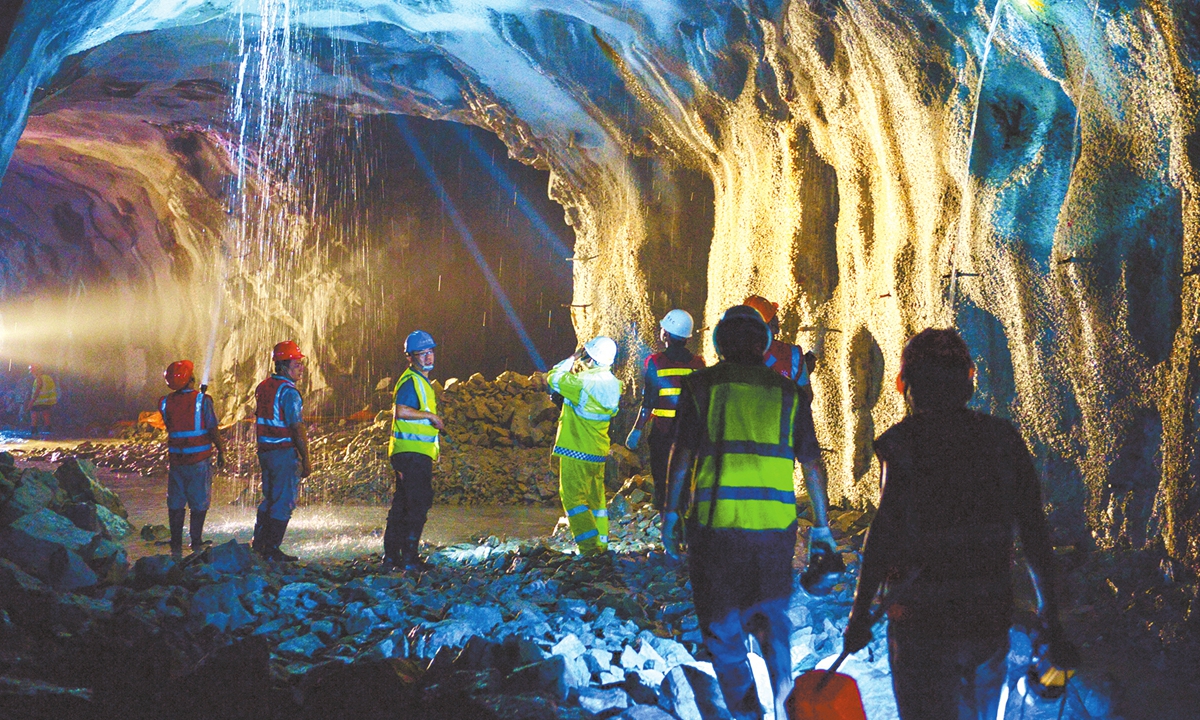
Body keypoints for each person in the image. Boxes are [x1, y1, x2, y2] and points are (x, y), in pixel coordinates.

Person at [842, 328, 1076, 719]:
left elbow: (884, 534)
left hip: (921, 621)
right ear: (969, 381)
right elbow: (1035, 532)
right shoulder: (1004, 440)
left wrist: (860, 613)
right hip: (986, 615)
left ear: (905, 385)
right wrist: (1050, 618)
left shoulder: (903, 444)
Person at [661, 305, 830, 720]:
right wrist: (822, 527)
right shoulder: (788, 393)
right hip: (774, 529)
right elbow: (812, 464)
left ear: (720, 343)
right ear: (762, 344)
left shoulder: (702, 386)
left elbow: (681, 454)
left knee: (722, 627)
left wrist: (669, 513)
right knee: (772, 617)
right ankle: (787, 702)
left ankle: (747, 712)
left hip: (715, 527)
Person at [743, 294, 835, 558]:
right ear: (769, 325)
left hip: (751, 433)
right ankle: (809, 529)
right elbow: (807, 396)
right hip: (788, 428)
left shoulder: (734, 359)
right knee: (799, 473)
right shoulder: (793, 354)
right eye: (775, 318)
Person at [547, 336, 622, 556]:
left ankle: (589, 548)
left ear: (590, 357)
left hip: (577, 450)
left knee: (573, 499)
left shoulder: (582, 383)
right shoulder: (614, 384)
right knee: (596, 500)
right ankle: (601, 544)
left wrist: (572, 357)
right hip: (598, 451)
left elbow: (554, 377)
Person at [625, 309, 705, 512]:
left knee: (662, 477)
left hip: (663, 433)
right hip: (689, 433)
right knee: (685, 477)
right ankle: (684, 515)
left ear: (666, 335)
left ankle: (662, 518)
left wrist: (637, 430)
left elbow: (649, 401)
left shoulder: (655, 362)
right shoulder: (699, 364)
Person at [383, 330, 444, 572]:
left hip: (411, 452)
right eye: (422, 353)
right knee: (417, 502)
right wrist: (430, 416)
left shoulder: (421, 381)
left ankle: (393, 556)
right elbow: (401, 411)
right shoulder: (412, 380)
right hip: (410, 453)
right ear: (411, 357)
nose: (429, 357)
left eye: (430, 352)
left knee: (405, 502)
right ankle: (408, 557)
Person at [251, 341, 311, 562]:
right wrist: (306, 459)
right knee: (284, 500)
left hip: (265, 451)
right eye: (297, 364)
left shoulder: (263, 386)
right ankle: (272, 549)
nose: (301, 368)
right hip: (282, 451)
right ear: (284, 366)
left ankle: (258, 543)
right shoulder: (289, 392)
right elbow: (296, 426)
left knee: (269, 497)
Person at [159, 360, 226, 556]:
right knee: (199, 501)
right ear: (191, 379)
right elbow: (212, 428)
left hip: (176, 461)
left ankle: (176, 542)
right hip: (198, 459)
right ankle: (195, 541)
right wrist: (221, 451)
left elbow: (172, 423)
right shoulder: (203, 401)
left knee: (176, 501)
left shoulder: (164, 402)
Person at [24, 364, 58, 436]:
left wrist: (31, 403)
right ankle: (49, 432)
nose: (32, 374)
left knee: (34, 415)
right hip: (48, 401)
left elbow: (37, 391)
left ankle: (33, 432)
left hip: (38, 401)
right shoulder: (48, 378)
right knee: (46, 415)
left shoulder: (39, 378)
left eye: (32, 372)